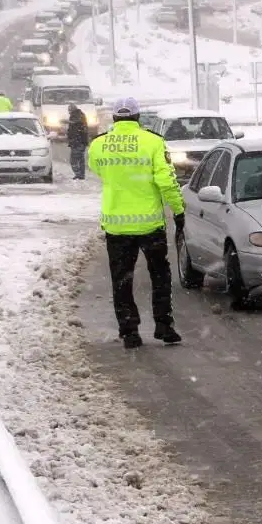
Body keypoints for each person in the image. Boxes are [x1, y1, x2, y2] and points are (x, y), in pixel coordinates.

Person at [88, 97, 186, 349]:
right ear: (138, 117)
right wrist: (178, 210)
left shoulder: (98, 145)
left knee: (121, 280)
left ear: (114, 118)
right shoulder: (153, 142)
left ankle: (129, 331)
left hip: (116, 226)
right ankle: (164, 326)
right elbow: (166, 181)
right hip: (150, 225)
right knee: (160, 276)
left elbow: (97, 170)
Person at [65, 103, 90, 180]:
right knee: (80, 159)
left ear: (72, 110)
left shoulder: (76, 115)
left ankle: (78, 174)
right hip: (81, 141)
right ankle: (81, 174)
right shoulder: (80, 114)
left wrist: (68, 122)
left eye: (69, 110)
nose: (69, 112)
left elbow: (76, 124)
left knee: (74, 160)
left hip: (78, 142)